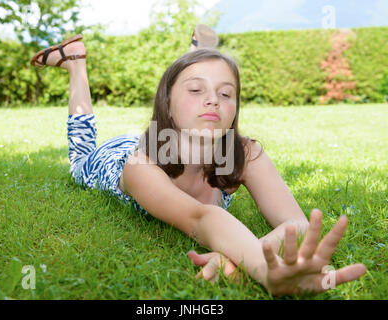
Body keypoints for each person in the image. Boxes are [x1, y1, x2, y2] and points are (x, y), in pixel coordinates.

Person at [30, 25, 366, 296]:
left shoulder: (246, 152)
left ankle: (196, 59)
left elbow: (298, 225)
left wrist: (234, 258)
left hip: (166, 139)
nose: (213, 101)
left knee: (195, 82)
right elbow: (200, 218)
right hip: (110, 158)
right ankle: (76, 62)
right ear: (167, 103)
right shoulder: (140, 166)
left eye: (225, 93)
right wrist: (264, 272)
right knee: (78, 159)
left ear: (235, 108)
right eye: (195, 90)